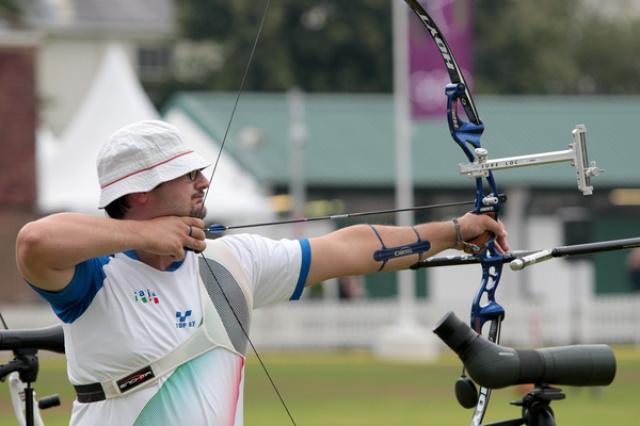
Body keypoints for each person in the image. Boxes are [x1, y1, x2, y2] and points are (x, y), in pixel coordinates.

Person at [15, 120, 508, 425]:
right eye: (187, 174)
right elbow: (33, 242)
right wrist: (144, 237)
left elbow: (351, 249)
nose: (202, 182)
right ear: (141, 192)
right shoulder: (93, 278)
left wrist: (456, 230)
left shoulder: (234, 260)